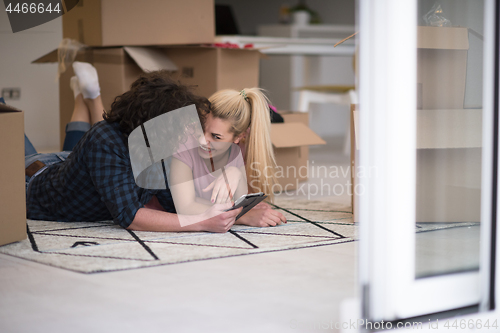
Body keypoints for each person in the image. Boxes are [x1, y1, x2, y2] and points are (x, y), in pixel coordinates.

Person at [25, 62, 241, 233]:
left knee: (77, 158)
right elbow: (130, 216)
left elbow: (176, 202)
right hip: (30, 177)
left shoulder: (163, 143)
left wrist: (236, 213)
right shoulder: (105, 140)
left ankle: (84, 98)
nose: (192, 135)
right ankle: (86, 97)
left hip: (69, 164)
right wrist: (201, 222)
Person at [168, 88, 287, 228]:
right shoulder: (185, 144)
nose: (202, 141)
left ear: (238, 137)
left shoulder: (239, 149)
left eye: (216, 137)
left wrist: (235, 173)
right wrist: (243, 216)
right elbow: (185, 207)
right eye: (200, 128)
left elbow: (239, 200)